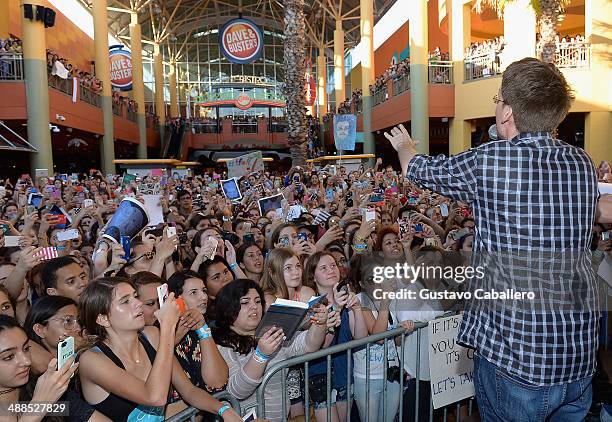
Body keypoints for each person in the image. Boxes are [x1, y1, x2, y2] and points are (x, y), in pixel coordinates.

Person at [386, 57, 599, 421]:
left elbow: (416, 169)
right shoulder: (581, 161)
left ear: (507, 112)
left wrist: (405, 146)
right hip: (577, 357)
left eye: (498, 98)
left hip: (517, 360)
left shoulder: (491, 160)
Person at [77, 277, 242, 421]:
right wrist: (168, 327)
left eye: (135, 297)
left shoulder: (152, 336)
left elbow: (189, 390)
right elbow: (154, 397)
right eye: (125, 301)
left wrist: (223, 410)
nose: (138, 304)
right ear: (103, 319)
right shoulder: (92, 360)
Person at [212, 279, 328, 422]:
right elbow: (237, 391)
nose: (254, 307)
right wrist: (261, 355)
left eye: (257, 301)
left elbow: (308, 345)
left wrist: (319, 323)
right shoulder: (222, 345)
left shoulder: (271, 332)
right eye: (245, 302)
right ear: (228, 308)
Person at [303, 251, 368, 422]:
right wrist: (336, 309)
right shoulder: (312, 304)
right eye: (323, 268)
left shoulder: (346, 295)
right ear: (313, 276)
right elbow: (323, 345)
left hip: (344, 374)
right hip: (320, 378)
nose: (331, 270)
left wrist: (357, 309)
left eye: (333, 265)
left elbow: (360, 338)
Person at [23, 296, 111, 421]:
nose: (78, 328)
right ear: (40, 330)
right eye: (68, 321)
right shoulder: (38, 383)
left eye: (79, 321)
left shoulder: (88, 357)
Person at [0, 314, 79, 422]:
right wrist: (39, 405)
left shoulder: (41, 386)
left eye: (26, 348)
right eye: (9, 357)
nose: (27, 361)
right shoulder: (43, 394)